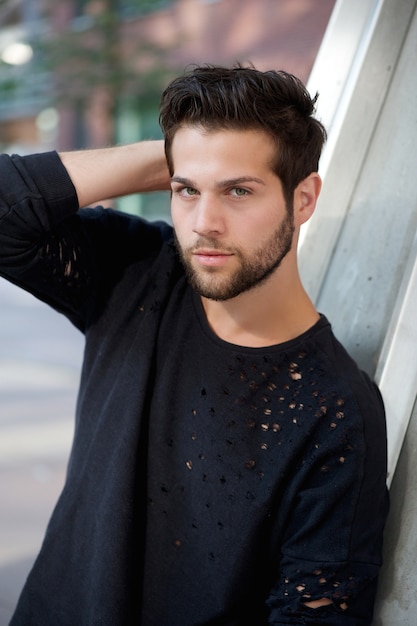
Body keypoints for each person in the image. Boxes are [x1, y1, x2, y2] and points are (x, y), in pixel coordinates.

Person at [0, 65, 388, 625]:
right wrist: (175, 156)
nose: (205, 223)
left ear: (303, 199)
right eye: (186, 191)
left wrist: (196, 164)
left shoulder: (337, 410)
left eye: (238, 190)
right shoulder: (133, 273)